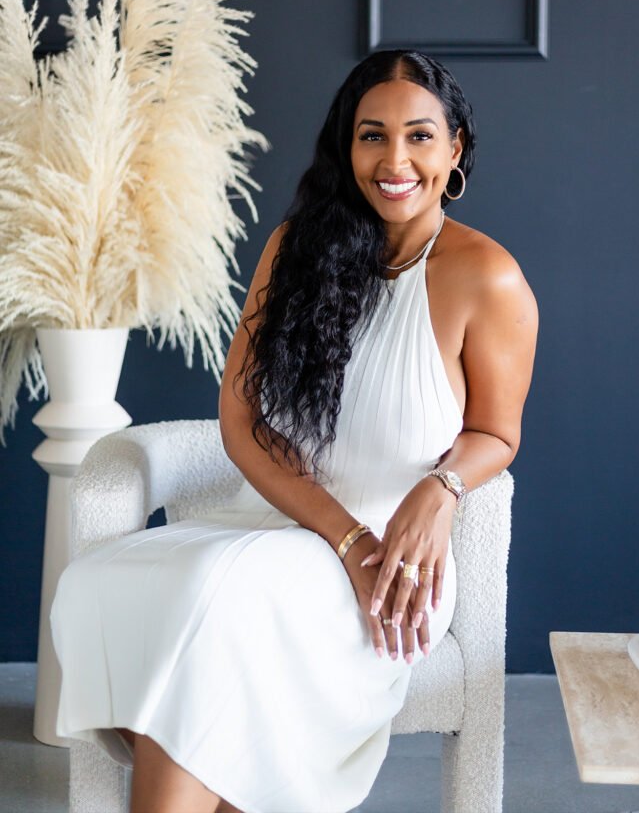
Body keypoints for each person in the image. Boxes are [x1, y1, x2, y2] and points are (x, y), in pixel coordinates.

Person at [50, 49, 538, 813]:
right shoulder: (295, 249)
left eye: (418, 136)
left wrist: (439, 489)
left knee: (214, 604)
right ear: (347, 147)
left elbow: (495, 434)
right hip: (293, 526)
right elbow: (240, 420)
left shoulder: (488, 276)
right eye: (372, 136)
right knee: (105, 581)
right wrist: (345, 539)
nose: (394, 161)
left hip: (389, 564)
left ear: (455, 149)